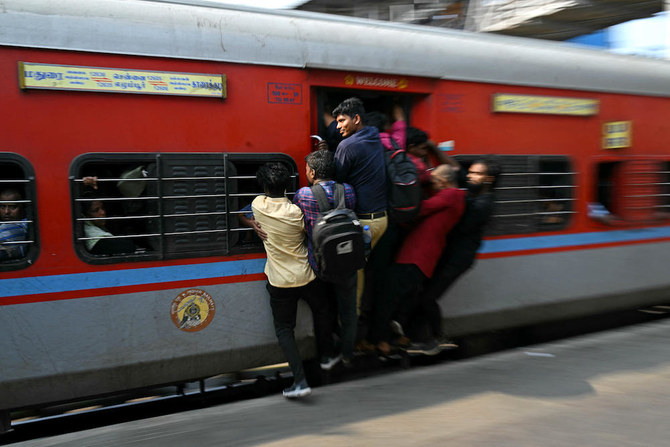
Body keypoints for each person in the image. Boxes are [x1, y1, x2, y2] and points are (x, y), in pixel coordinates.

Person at [252, 162, 336, 399]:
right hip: (306, 275)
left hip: (280, 281)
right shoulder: (296, 212)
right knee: (322, 310)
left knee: (284, 329)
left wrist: (251, 224)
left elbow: (240, 214)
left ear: (265, 187)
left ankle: (300, 381)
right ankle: (327, 356)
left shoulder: (258, 206)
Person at [412, 156, 501, 349]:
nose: (470, 176)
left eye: (477, 173)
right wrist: (432, 147)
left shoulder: (484, 204)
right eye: (471, 171)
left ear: (489, 179)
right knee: (422, 294)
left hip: (458, 259)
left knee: (428, 297)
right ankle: (418, 337)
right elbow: (455, 169)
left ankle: (436, 338)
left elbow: (460, 224)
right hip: (448, 254)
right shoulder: (472, 192)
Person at [376, 165, 465, 353]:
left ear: (444, 181)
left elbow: (420, 208)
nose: (431, 184)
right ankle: (400, 335)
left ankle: (382, 339)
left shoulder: (452, 194)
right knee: (404, 296)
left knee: (388, 293)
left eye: (434, 181)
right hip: (417, 256)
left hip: (417, 256)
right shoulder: (452, 196)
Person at [293, 150, 357, 367]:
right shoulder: (348, 191)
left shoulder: (304, 195)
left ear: (311, 172)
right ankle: (348, 352)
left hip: (319, 265)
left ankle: (327, 355)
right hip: (347, 259)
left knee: (324, 310)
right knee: (348, 310)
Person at [332, 97, 389, 325]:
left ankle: (350, 322)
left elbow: (336, 180)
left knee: (353, 274)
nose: (338, 126)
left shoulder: (347, 146)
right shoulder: (374, 137)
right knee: (364, 268)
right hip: (382, 218)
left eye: (342, 120)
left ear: (356, 119)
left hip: (365, 223)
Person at [0, 188, 28, 260]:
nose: (7, 212)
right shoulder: (26, 224)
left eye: (13, 207)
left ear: (22, 207)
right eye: (3, 207)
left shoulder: (7, 228)